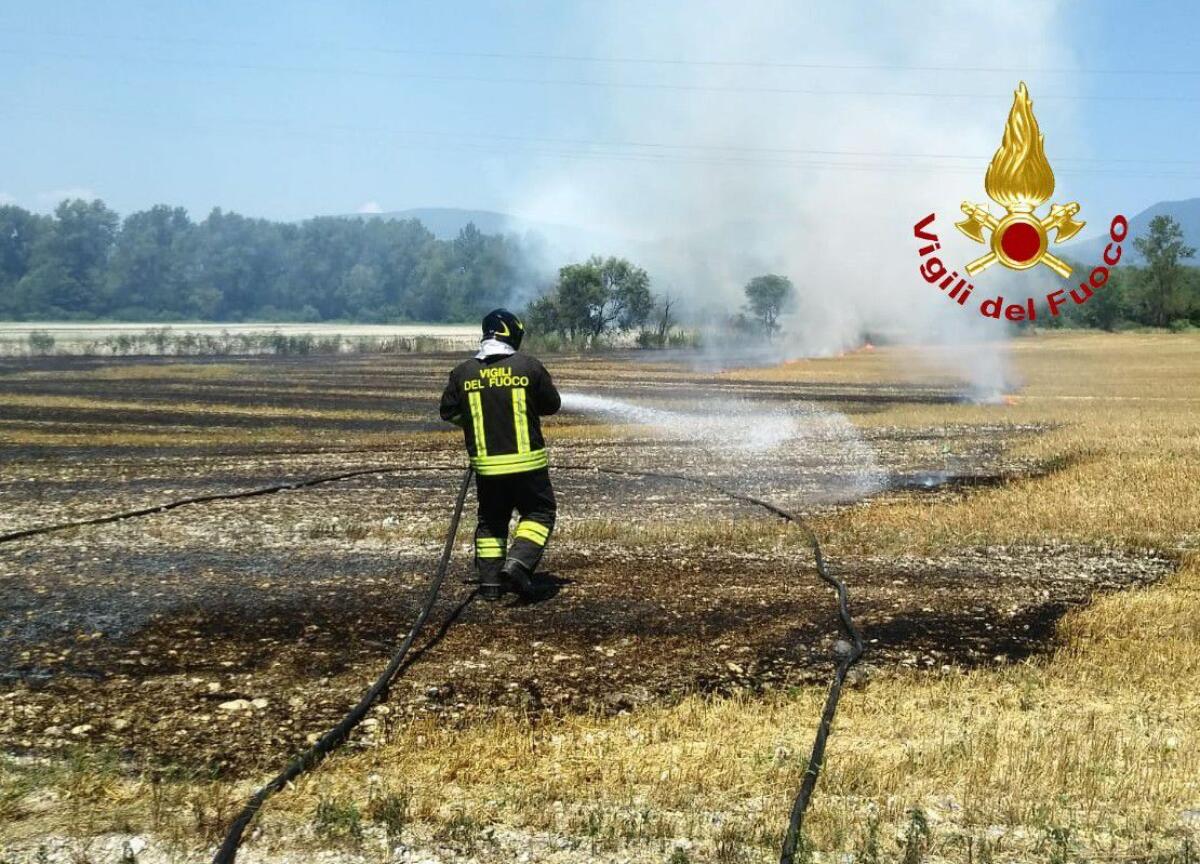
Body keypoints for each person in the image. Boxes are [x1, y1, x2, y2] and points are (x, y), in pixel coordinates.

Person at [439, 308, 561, 601]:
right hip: (527, 465)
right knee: (539, 513)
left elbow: (449, 412)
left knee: (492, 521)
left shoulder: (463, 373)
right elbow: (551, 405)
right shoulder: (528, 367)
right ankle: (518, 564)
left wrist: (481, 423)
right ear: (512, 333)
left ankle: (490, 585)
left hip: (487, 468)